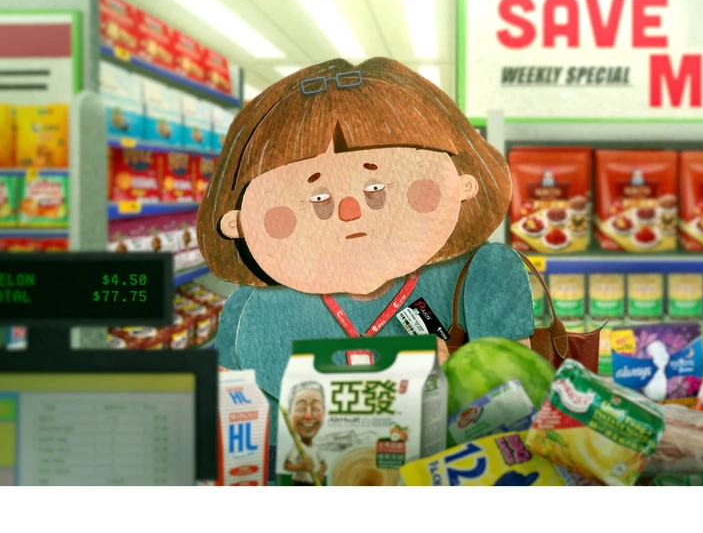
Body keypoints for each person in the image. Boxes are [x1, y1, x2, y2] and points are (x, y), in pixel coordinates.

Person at [198, 58, 535, 483]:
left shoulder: (481, 273)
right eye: (317, 200)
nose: (349, 211)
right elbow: (241, 440)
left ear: (463, 182)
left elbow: (517, 414)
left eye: (377, 189)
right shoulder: (249, 311)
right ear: (239, 221)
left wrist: (450, 383)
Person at [283, 381, 327, 486]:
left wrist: (320, 473)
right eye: (301, 408)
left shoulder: (316, 448)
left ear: (324, 412)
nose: (308, 416)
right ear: (289, 414)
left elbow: (324, 464)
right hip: (299, 483)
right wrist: (300, 466)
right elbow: (286, 465)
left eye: (316, 408)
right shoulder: (297, 447)